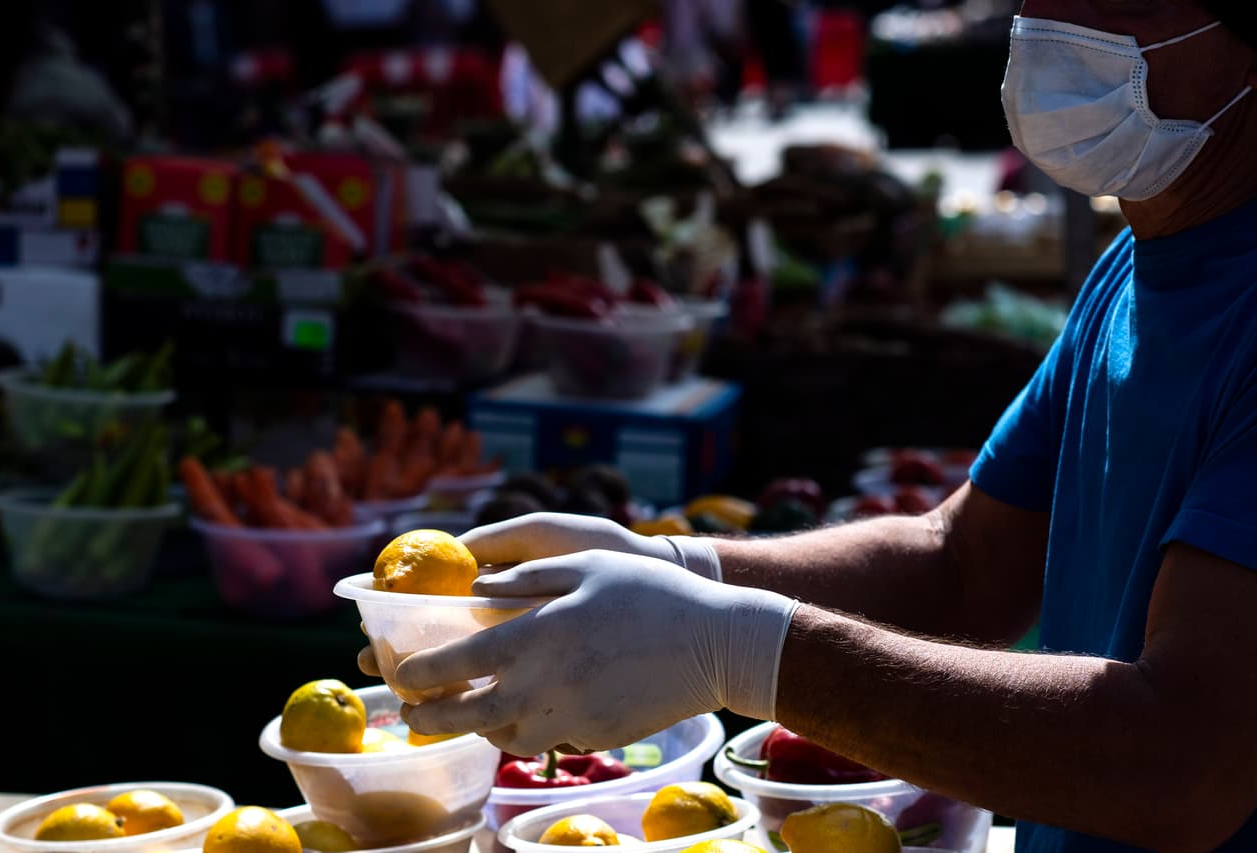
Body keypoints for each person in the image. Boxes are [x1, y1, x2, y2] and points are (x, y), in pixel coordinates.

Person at [362, 1, 1257, 849]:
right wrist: (679, 567)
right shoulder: (1133, 265)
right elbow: (965, 563)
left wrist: (739, 648)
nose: (1058, 19)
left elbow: (1186, 763)